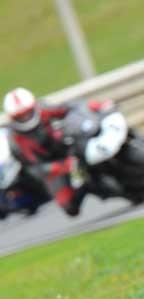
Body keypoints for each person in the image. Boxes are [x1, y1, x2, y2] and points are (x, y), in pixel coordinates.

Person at [2, 87, 113, 216]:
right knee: (70, 207)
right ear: (13, 117)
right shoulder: (14, 139)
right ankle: (90, 187)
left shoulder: (45, 109)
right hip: (52, 166)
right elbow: (33, 167)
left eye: (27, 112)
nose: (25, 117)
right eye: (20, 116)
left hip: (70, 146)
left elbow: (72, 107)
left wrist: (96, 106)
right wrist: (60, 167)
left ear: (34, 106)